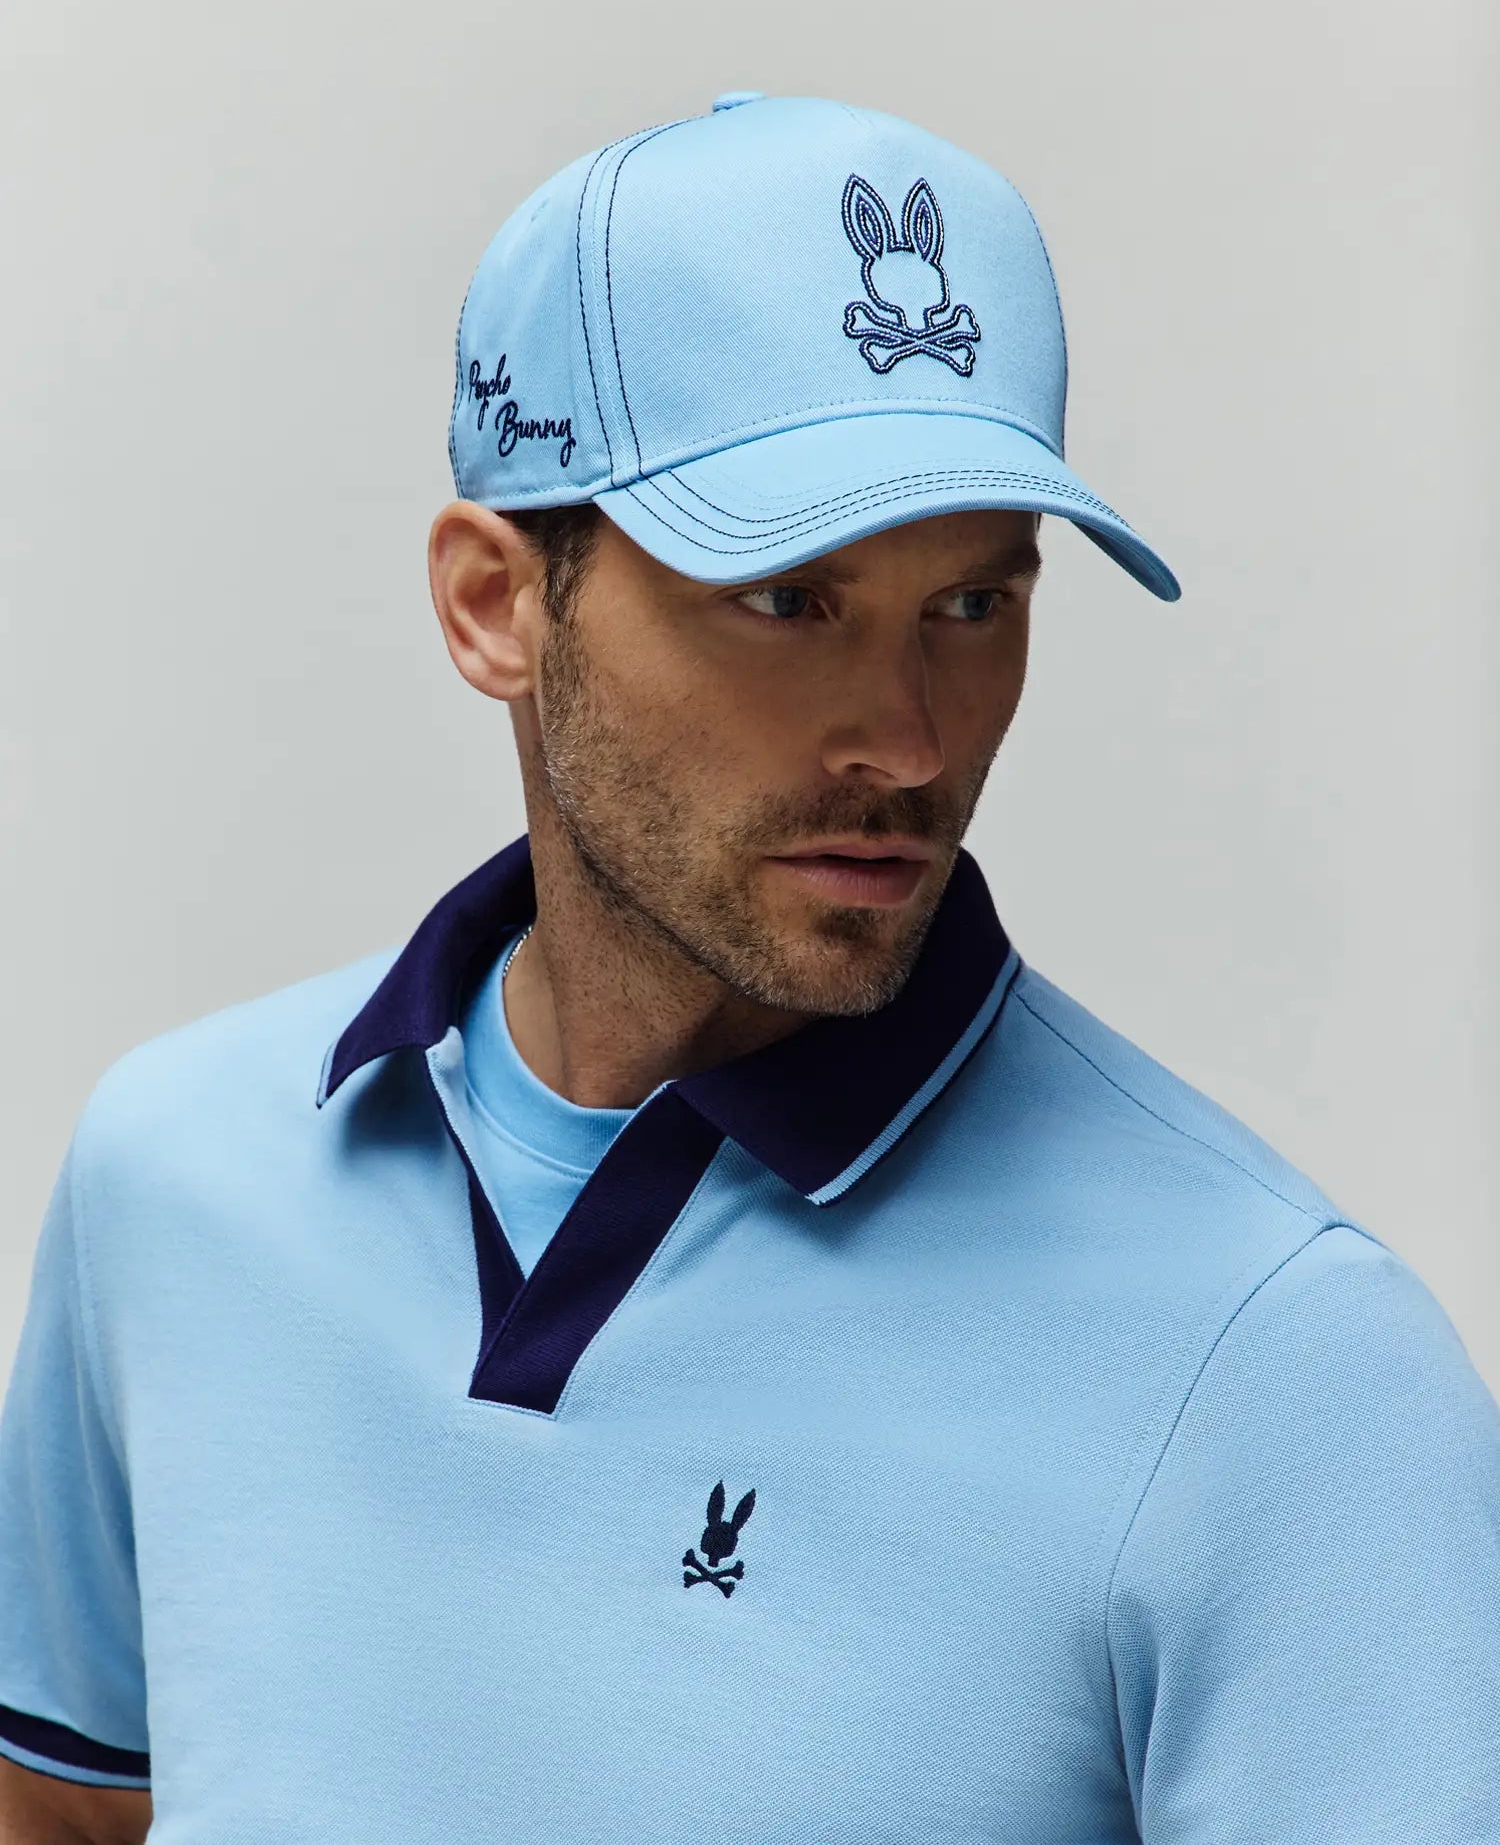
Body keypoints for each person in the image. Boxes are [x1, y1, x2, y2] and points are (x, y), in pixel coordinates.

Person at [2, 91, 1496, 1845]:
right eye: (790, 599)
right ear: (496, 602)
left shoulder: (1288, 1370)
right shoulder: (176, 1181)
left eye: (973, 604)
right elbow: (69, 1812)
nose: (908, 738)